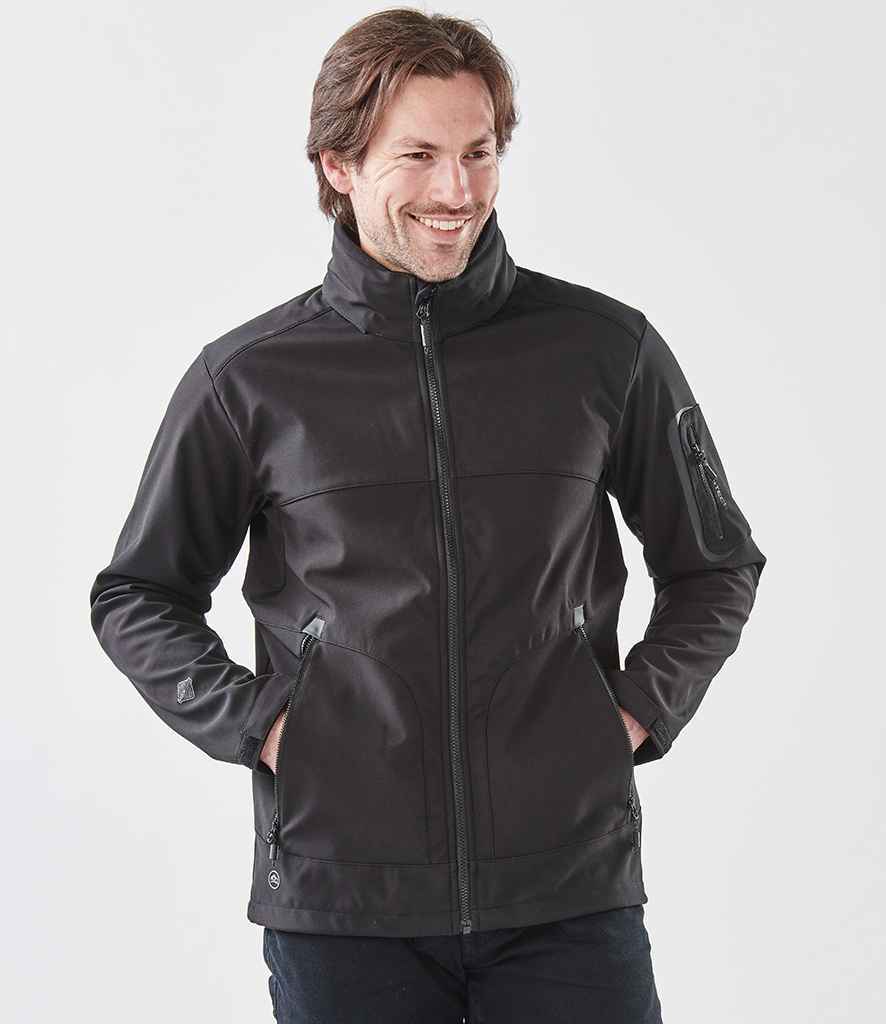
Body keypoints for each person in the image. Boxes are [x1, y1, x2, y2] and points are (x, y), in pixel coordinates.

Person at [89, 8, 767, 1022]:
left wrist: (632, 711)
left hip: (567, 889)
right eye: (418, 155)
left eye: (478, 153)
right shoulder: (250, 380)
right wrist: (265, 725)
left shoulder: (604, 350)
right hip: (342, 898)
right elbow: (138, 594)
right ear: (338, 166)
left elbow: (716, 564)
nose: (458, 191)